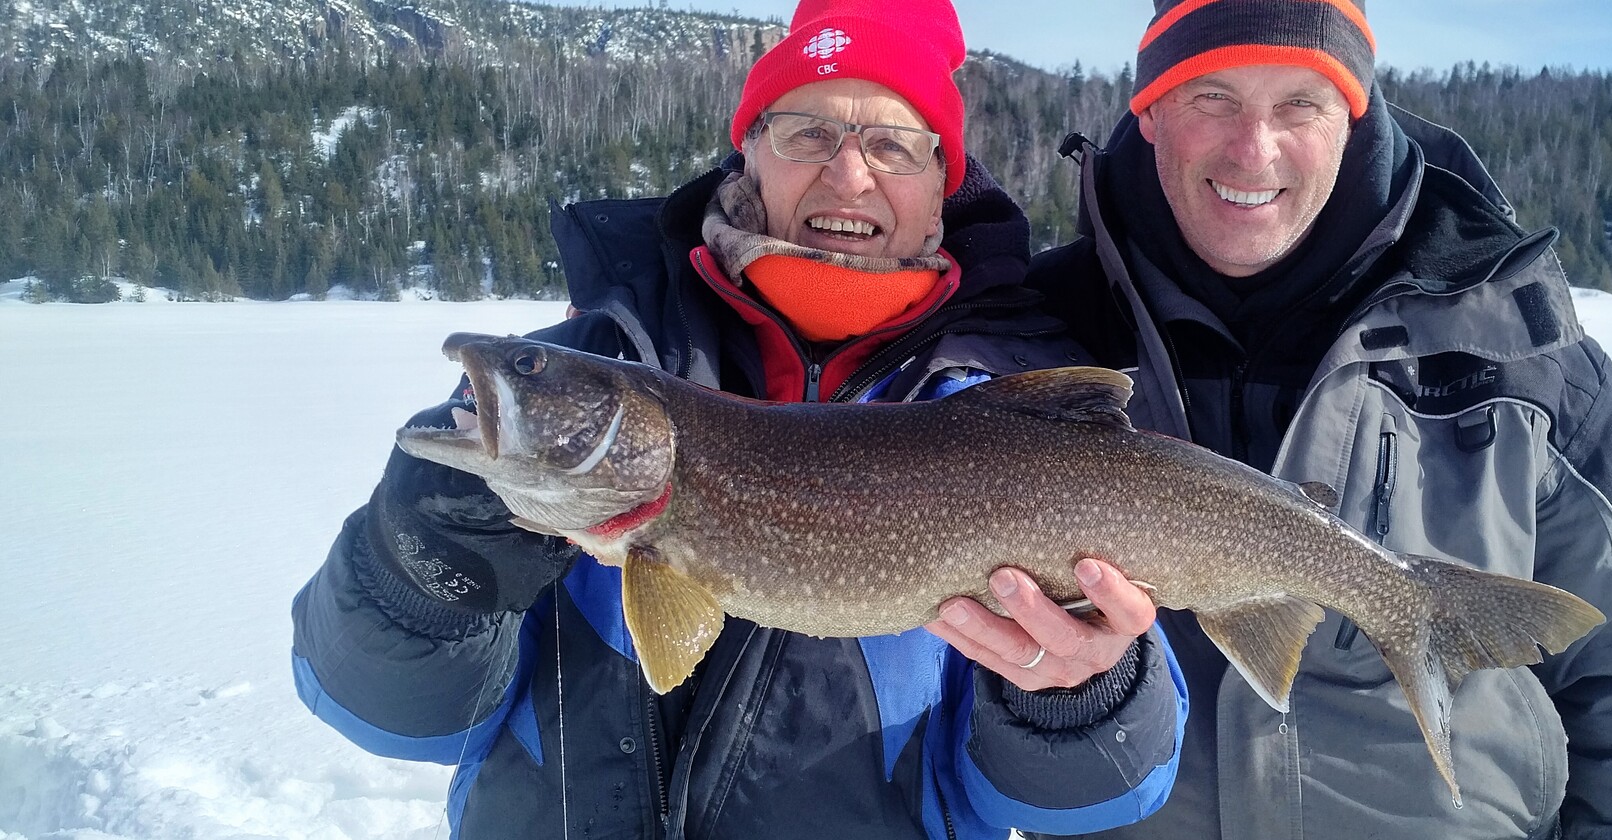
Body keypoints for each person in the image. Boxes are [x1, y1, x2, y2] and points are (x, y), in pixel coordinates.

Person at [290, 2, 1185, 837]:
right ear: (748, 154)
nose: (848, 173)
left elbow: (1092, 797)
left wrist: (1081, 695)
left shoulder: (1021, 415)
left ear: (944, 181)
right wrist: (422, 571)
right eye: (808, 133)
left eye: (893, 144)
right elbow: (389, 719)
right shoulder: (599, 354)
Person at [1026, 2, 1612, 838]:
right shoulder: (1033, 341)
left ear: (1351, 113)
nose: (1253, 149)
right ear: (1151, 109)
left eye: (1298, 104)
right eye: (1212, 97)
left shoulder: (1515, 347)